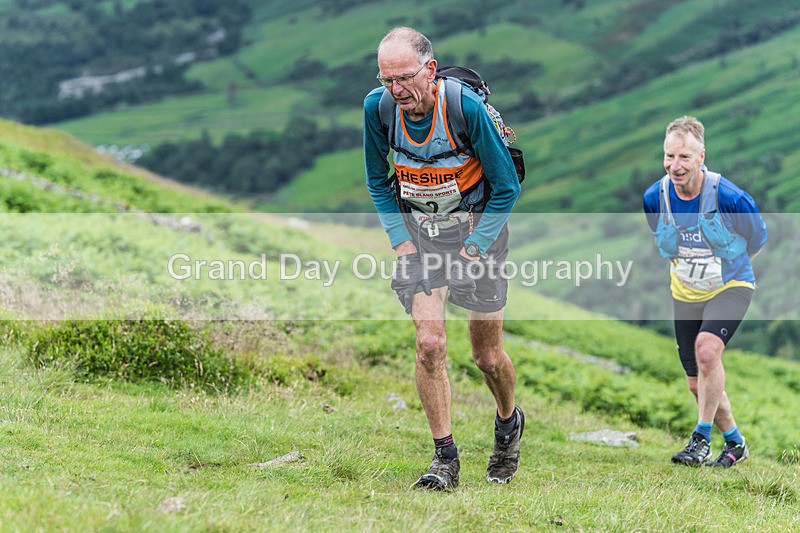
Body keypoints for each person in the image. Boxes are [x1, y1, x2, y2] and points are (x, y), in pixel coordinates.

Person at [363, 27, 523, 490]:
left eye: (404, 79)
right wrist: (403, 245)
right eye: (386, 80)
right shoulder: (378, 110)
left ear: (430, 70)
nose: (396, 91)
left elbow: (507, 187)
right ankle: (444, 458)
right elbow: (378, 182)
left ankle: (508, 422)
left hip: (479, 234)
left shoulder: (464, 109)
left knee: (487, 356)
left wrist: (475, 249)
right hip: (422, 238)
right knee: (430, 343)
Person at [643, 116, 768, 468]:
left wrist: (730, 271)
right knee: (698, 384)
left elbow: (757, 239)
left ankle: (700, 439)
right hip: (684, 292)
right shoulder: (655, 197)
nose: (675, 166)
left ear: (701, 157)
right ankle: (735, 443)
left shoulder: (729, 196)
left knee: (708, 350)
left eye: (684, 157)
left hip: (731, 285)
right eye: (669, 157)